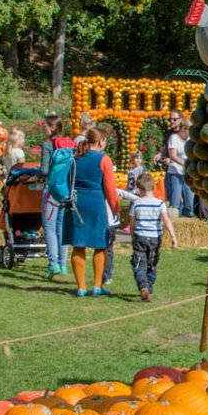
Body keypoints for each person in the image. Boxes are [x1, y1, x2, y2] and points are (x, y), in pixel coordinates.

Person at [62, 128, 119, 297]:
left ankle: (80, 287)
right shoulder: (104, 159)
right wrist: (115, 208)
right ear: (101, 141)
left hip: (76, 204)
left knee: (78, 244)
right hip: (95, 205)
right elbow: (110, 189)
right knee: (100, 245)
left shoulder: (76, 156)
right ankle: (97, 286)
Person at [38, 114, 76, 279]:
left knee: (50, 228)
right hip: (66, 191)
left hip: (52, 190)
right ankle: (63, 264)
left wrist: (37, 175)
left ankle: (53, 264)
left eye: (45, 127)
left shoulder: (48, 145)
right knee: (62, 228)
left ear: (52, 128)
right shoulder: (69, 144)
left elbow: (45, 170)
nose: (43, 129)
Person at [130, 172, 177, 301]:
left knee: (139, 262)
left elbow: (132, 223)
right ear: (154, 188)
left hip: (140, 237)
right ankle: (149, 287)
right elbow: (166, 220)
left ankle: (143, 287)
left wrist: (132, 237)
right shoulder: (160, 204)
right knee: (152, 263)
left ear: (139, 189)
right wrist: (173, 237)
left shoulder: (136, 203)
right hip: (155, 239)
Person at [164, 118, 193, 217]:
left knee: (189, 201)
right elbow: (173, 156)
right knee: (175, 201)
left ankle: (188, 216)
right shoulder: (174, 138)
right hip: (175, 172)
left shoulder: (189, 140)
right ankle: (175, 219)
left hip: (187, 173)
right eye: (189, 130)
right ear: (183, 129)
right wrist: (185, 164)